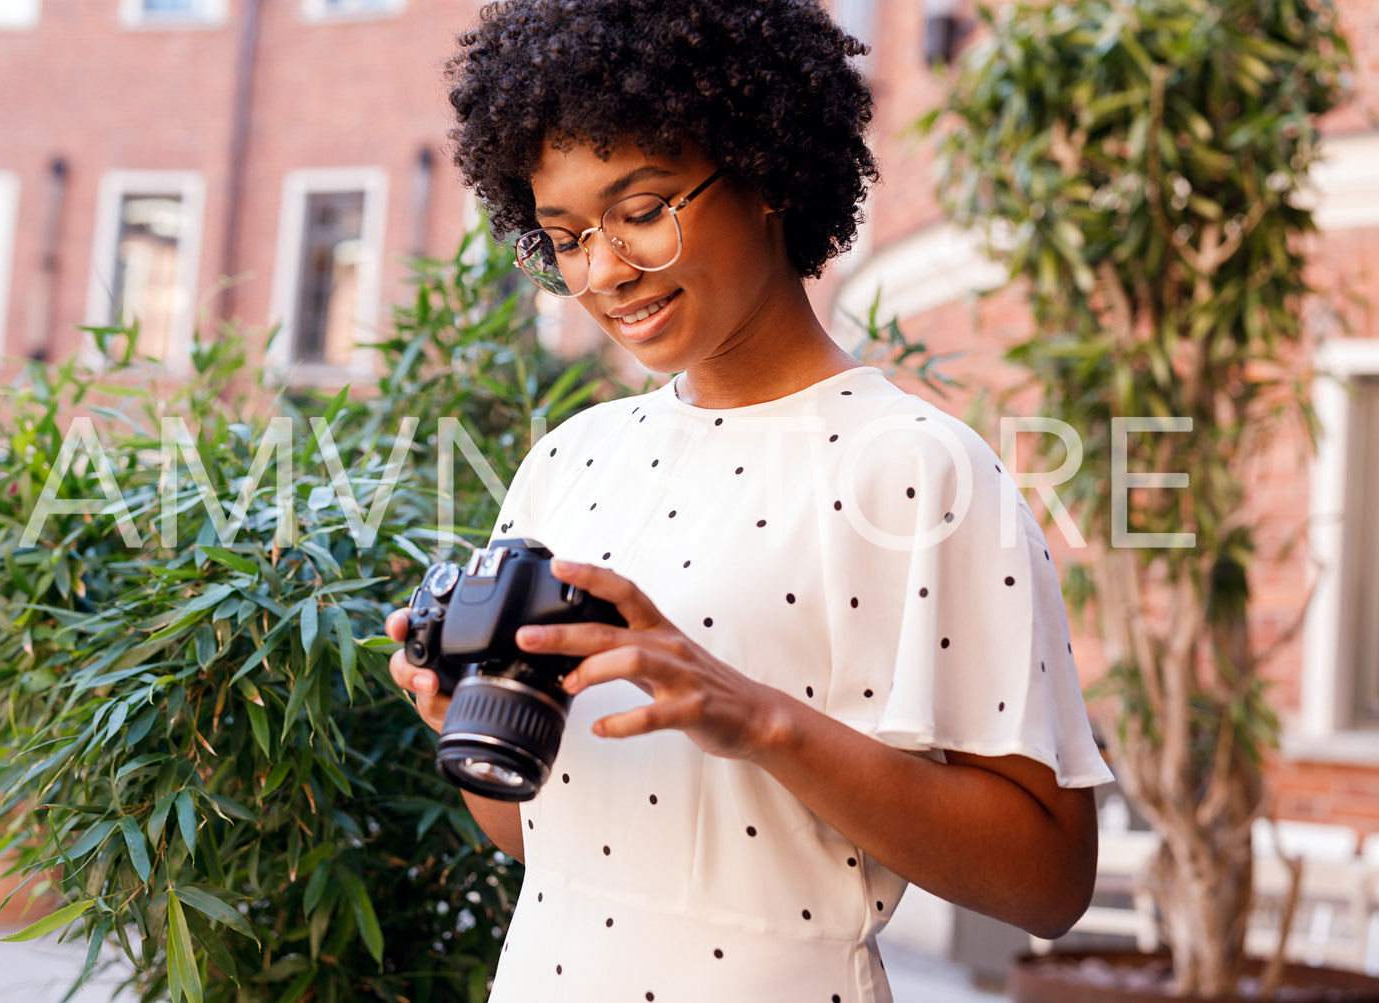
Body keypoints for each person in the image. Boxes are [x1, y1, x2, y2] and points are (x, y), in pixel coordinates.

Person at [385, 1, 1114, 1000]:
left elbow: (1047, 881)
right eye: (564, 235)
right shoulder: (571, 458)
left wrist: (757, 719)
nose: (603, 271)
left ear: (763, 168)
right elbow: (540, 836)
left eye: (641, 210)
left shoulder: (918, 469)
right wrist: (461, 718)